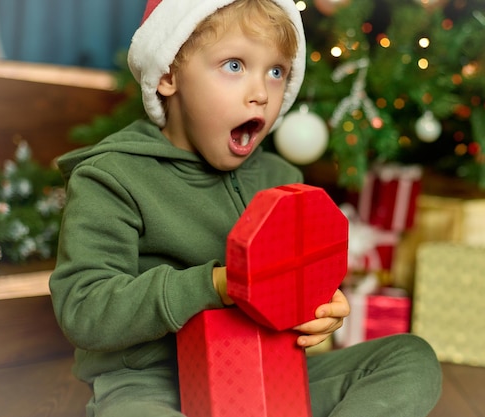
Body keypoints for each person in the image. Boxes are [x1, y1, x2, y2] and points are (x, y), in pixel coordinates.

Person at [49, 0, 442, 416]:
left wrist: (323, 308)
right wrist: (218, 284)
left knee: (410, 356)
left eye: (276, 72)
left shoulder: (283, 178)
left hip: (274, 375)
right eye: (234, 65)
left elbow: (299, 290)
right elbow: (83, 308)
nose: (260, 94)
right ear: (168, 75)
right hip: (155, 386)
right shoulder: (112, 177)